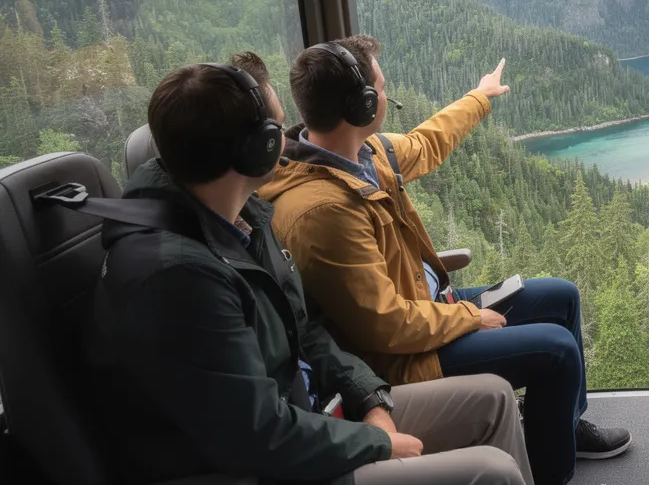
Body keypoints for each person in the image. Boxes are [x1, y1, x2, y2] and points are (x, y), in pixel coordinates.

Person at [84, 53, 531, 485]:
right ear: (255, 150)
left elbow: (305, 330)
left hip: (314, 412)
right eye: (276, 128)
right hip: (270, 466)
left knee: (493, 399)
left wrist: (369, 398)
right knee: (492, 473)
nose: (286, 139)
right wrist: (374, 441)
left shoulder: (242, 221)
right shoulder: (181, 277)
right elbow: (260, 435)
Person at [259, 36, 630, 485]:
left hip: (431, 305)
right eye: (380, 89)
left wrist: (480, 97)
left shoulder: (364, 152)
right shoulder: (322, 211)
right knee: (557, 350)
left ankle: (562, 428)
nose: (384, 96)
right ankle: (554, 471)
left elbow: (426, 141)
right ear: (360, 104)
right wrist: (469, 317)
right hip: (405, 354)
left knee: (562, 297)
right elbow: (386, 327)